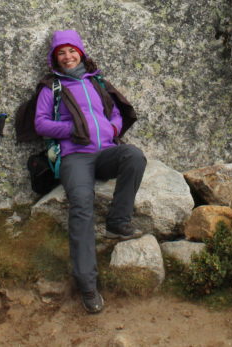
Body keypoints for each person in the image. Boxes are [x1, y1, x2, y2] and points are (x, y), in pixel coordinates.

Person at [33, 29, 147, 314]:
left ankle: (118, 222)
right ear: (55, 58)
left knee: (134, 155)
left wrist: (113, 128)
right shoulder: (52, 88)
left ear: (80, 53)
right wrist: (72, 129)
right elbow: (41, 123)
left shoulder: (95, 81)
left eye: (72, 51)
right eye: (62, 53)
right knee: (81, 207)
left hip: (106, 152)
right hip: (75, 157)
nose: (68, 56)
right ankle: (87, 285)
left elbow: (115, 113)